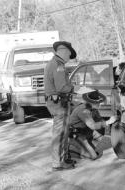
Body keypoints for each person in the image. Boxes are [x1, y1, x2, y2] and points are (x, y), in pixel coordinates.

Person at [44, 41, 77, 171]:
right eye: (69, 55)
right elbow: (62, 87)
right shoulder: (59, 66)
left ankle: (63, 158)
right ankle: (58, 163)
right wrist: (75, 88)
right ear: (63, 51)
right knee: (60, 133)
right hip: (59, 104)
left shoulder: (55, 63)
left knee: (63, 132)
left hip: (58, 102)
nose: (69, 58)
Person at [68, 90, 117, 160]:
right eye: (97, 102)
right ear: (91, 102)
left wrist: (111, 124)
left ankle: (86, 144)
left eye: (99, 102)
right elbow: (93, 126)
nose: (99, 104)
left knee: (103, 139)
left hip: (85, 131)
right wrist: (108, 122)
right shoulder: (83, 111)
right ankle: (70, 147)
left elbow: (99, 120)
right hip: (76, 134)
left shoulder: (93, 109)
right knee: (93, 156)